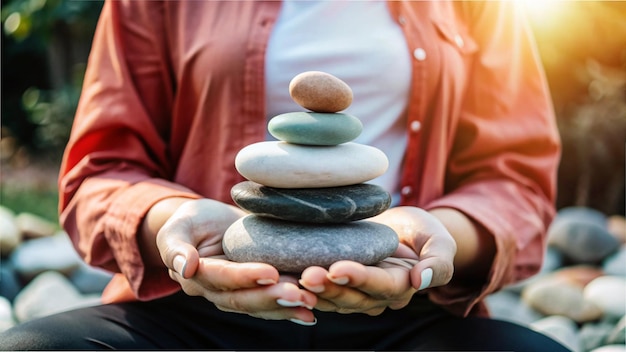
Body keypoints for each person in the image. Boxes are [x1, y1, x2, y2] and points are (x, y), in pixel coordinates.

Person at [0, 0, 569, 350]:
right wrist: (174, 222)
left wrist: (438, 235)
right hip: (199, 305)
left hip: (411, 310)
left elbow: (515, 174)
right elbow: (100, 170)